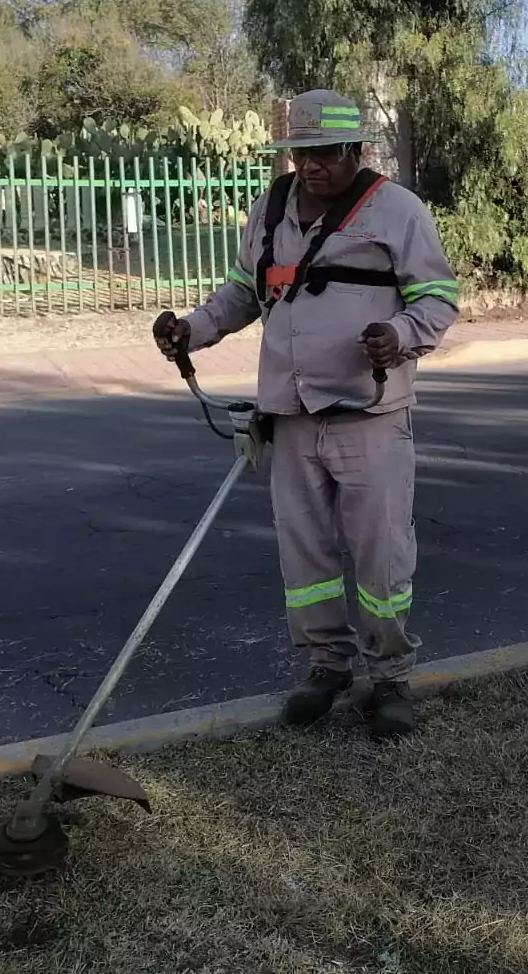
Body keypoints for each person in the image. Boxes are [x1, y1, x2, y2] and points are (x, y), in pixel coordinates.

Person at [153, 89, 459, 738]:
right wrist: (194, 329)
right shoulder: (271, 209)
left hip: (370, 416)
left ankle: (390, 679)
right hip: (290, 417)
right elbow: (244, 292)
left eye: (326, 154)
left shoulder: (399, 211)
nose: (312, 167)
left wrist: (398, 335)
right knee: (306, 558)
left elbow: (436, 300)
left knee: (381, 560)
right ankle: (327, 667)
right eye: (301, 155)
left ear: (358, 152)